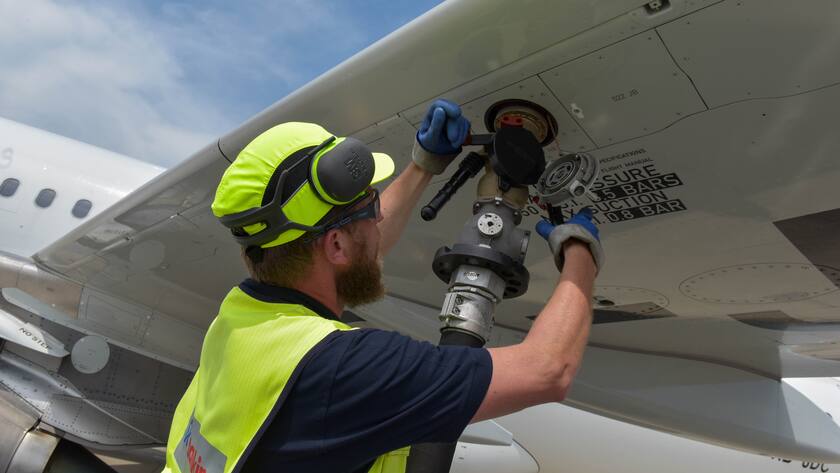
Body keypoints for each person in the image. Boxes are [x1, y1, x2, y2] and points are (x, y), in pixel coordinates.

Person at [162, 99, 602, 473]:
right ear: (336, 245)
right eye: (371, 208)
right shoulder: (344, 368)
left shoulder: (242, 317)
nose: (379, 219)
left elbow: (357, 251)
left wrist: (423, 166)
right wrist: (580, 253)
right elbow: (548, 370)